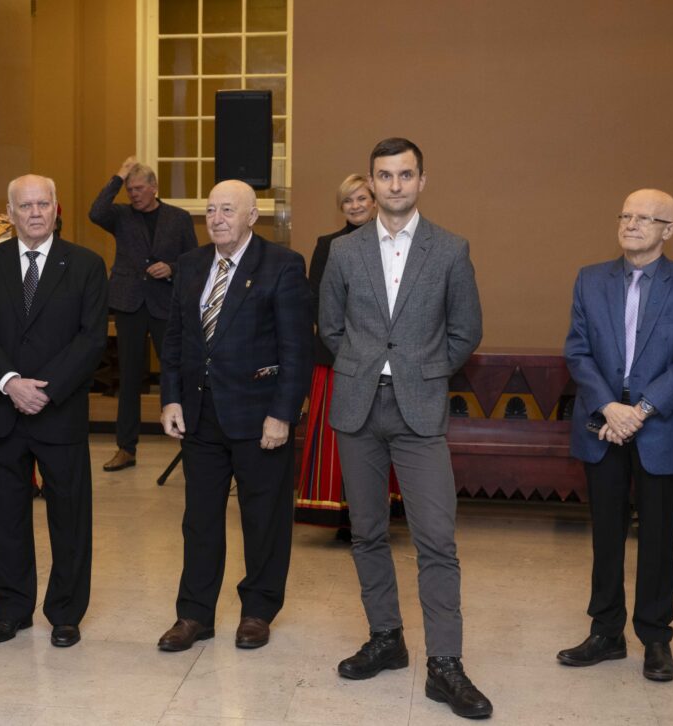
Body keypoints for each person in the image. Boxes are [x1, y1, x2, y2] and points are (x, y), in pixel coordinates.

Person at [319, 138, 491, 719]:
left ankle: (445, 664)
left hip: (420, 410)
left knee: (436, 540)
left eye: (405, 174)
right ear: (371, 183)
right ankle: (386, 638)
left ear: (422, 181)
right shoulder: (344, 252)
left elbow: (466, 330)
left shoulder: (450, 249)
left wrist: (422, 370)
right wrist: (364, 366)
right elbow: (330, 327)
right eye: (385, 176)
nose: (395, 185)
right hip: (358, 408)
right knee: (367, 532)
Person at [559, 189, 673, 682]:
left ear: (669, 230)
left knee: (659, 537)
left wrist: (639, 411)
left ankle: (656, 638)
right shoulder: (590, 279)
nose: (631, 223)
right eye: (625, 214)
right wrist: (609, 406)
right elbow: (578, 351)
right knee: (606, 532)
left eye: (645, 218)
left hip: (661, 422)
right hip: (602, 421)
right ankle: (606, 632)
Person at [156, 179, 311, 652]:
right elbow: (175, 338)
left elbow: (296, 347)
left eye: (227, 210)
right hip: (200, 415)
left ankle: (258, 611)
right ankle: (194, 614)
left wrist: (282, 413)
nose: (217, 219)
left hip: (259, 416)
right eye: (210, 210)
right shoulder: (190, 264)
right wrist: (171, 398)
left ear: (251, 216)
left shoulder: (282, 265)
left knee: (263, 519)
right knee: (199, 520)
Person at [0, 174, 108, 649]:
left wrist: (46, 389)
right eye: (25, 206)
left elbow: (91, 338)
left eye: (44, 203)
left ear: (56, 207)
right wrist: (10, 382)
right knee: (5, 517)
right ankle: (10, 611)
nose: (36, 212)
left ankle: (65, 613)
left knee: (69, 518)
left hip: (58, 410)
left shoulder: (86, 264)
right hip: (3, 411)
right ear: (10, 213)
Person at [296, 174, 401, 536]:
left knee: (380, 435)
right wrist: (348, 345)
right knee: (337, 440)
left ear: (375, 201)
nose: (355, 206)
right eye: (347, 201)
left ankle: (376, 514)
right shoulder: (328, 245)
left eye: (361, 198)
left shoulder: (392, 242)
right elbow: (315, 300)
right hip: (336, 357)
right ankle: (342, 516)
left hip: (382, 360)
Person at [89, 156, 198, 472]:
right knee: (128, 378)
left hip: (166, 304)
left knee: (175, 372)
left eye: (138, 188)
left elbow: (193, 261)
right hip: (129, 303)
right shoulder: (120, 215)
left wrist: (172, 268)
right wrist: (119, 175)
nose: (133, 194)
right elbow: (96, 211)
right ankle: (126, 448)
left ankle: (192, 444)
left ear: (154, 188)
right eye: (130, 189)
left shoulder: (178, 218)